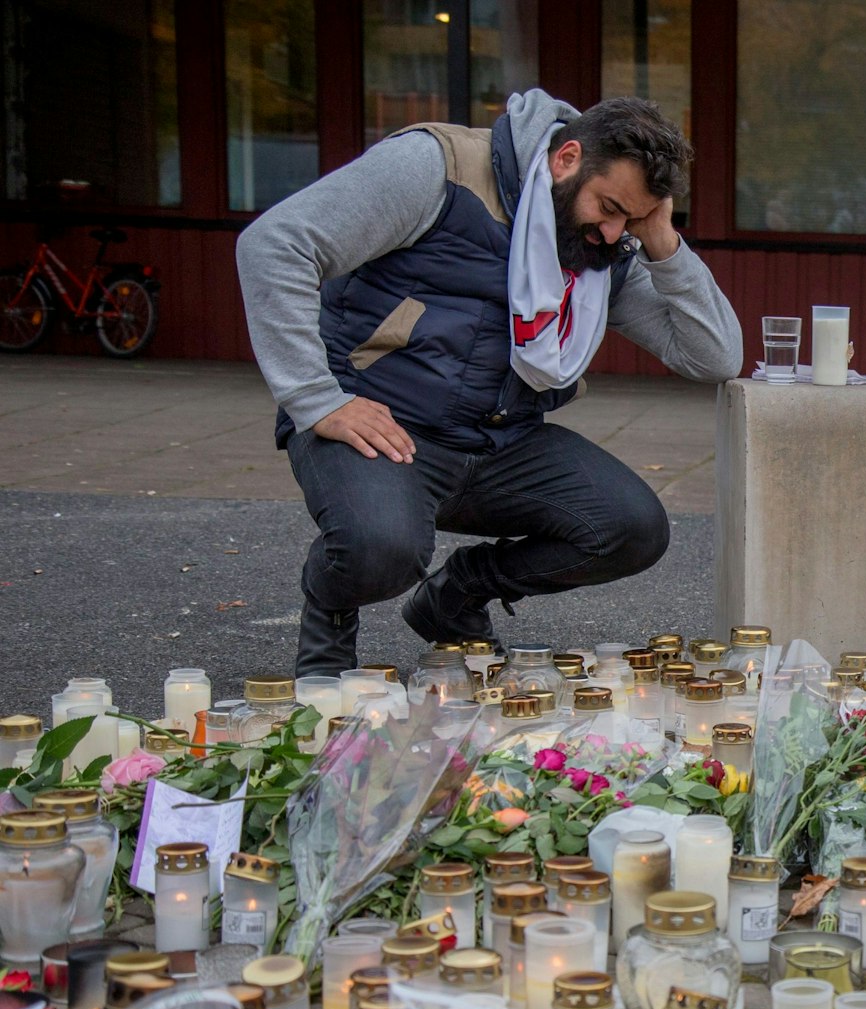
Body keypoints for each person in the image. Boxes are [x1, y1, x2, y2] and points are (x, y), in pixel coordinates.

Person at [237, 90, 742, 676]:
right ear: (567, 159)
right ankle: (330, 616)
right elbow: (274, 244)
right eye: (608, 207)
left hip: (501, 438)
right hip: (379, 422)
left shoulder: (605, 245)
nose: (612, 233)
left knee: (633, 529)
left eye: (631, 218)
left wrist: (662, 241)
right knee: (380, 550)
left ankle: (454, 596)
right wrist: (317, 399)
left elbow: (714, 356)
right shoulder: (437, 167)